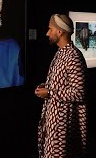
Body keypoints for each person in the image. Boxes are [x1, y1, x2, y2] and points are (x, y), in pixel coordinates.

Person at [35, 14, 88, 157]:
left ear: (60, 31)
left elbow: (78, 92)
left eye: (50, 29)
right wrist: (46, 86)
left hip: (62, 125)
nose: (47, 33)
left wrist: (50, 92)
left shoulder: (73, 56)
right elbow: (63, 84)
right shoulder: (61, 53)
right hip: (54, 121)